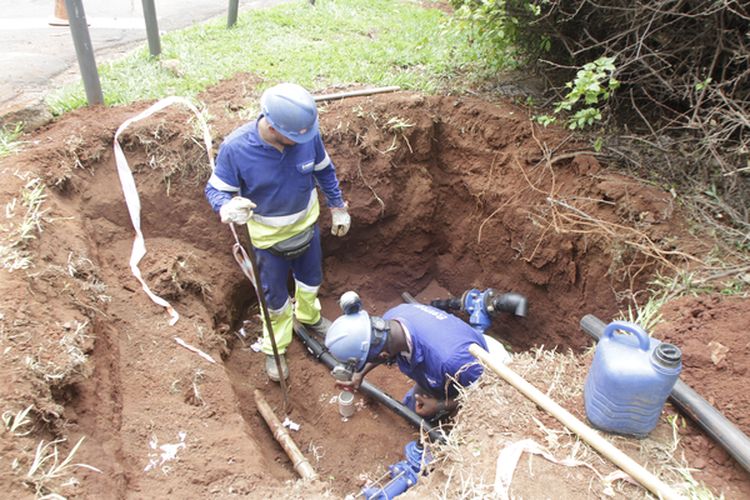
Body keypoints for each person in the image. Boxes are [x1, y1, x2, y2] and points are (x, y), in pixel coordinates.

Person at [205, 83, 350, 382]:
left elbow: (324, 170)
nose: (303, 141)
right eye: (296, 137)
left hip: (307, 230)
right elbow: (216, 189)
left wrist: (337, 206)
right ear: (271, 126)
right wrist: (225, 207)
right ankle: (276, 345)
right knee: (275, 300)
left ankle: (309, 318)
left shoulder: (305, 136)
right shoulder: (236, 149)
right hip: (268, 242)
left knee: (311, 282)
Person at [325, 291, 510, 419]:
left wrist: (441, 406)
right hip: (444, 360)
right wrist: (359, 374)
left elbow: (484, 396)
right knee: (413, 408)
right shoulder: (393, 317)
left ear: (383, 355)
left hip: (491, 375)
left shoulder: (452, 362)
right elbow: (374, 345)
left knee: (453, 418)